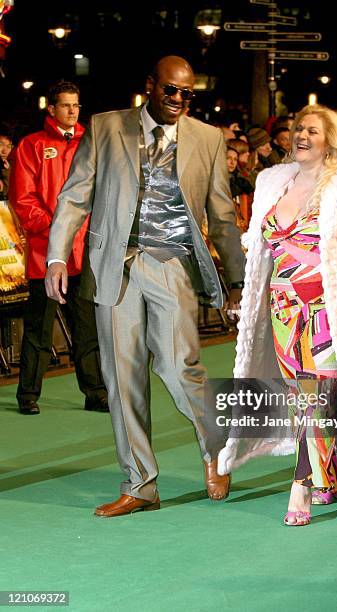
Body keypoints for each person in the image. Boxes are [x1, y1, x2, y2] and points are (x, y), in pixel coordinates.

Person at [45, 56, 245, 517]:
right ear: (150, 86)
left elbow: (221, 216)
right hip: (115, 265)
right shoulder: (106, 126)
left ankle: (217, 450)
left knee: (181, 368)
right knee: (121, 378)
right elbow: (76, 195)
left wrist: (237, 279)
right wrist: (58, 254)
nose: (178, 100)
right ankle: (140, 485)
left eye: (187, 94)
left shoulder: (209, 139)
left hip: (171, 264)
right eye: (171, 91)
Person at [217, 104, 337, 525]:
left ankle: (300, 486)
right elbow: (258, 242)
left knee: (315, 397)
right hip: (282, 312)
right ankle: (326, 476)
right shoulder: (272, 181)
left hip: (327, 310)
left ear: (330, 139)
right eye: (298, 128)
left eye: (312, 131)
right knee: (305, 399)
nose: (301, 136)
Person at [9, 80, 108, 416]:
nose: (72, 111)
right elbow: (22, 199)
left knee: (87, 326)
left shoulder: (91, 143)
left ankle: (95, 391)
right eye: (65, 105)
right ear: (50, 108)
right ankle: (28, 395)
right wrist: (56, 229)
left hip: (84, 250)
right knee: (39, 328)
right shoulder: (31, 146)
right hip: (45, 253)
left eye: (76, 105)